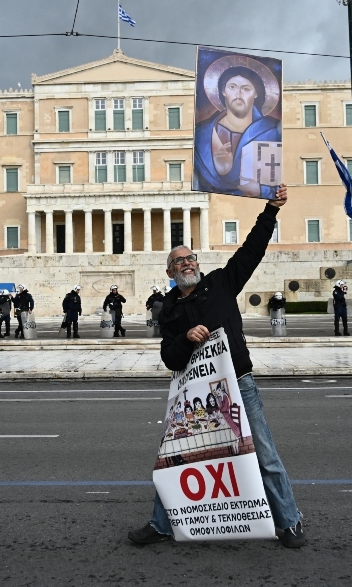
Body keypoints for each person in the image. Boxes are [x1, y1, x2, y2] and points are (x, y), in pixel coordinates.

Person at [127, 184, 306, 548]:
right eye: (179, 261)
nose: (187, 263)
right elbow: (169, 358)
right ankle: (161, 524)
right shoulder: (169, 309)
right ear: (170, 272)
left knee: (265, 455)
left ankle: (289, 521)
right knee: (177, 457)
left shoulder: (222, 282)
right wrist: (185, 338)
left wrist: (270, 210)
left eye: (190, 258)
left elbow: (251, 250)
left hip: (239, 383)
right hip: (195, 394)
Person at [193, 64, 282, 198]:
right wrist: (218, 168)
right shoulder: (202, 134)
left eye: (246, 89)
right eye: (232, 87)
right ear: (223, 91)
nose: (238, 94)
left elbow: (275, 184)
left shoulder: (272, 132)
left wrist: (262, 191)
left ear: (256, 93)